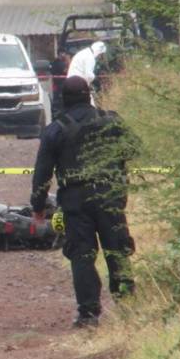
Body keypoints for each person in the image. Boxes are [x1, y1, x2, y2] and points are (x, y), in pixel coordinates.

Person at [30, 76, 136, 328]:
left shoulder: (55, 130)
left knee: (82, 255)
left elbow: (42, 174)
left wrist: (38, 207)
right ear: (89, 95)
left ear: (63, 99)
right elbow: (133, 149)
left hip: (76, 201)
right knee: (117, 249)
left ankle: (88, 314)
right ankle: (128, 307)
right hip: (110, 196)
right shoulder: (112, 121)